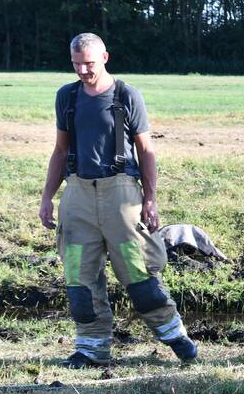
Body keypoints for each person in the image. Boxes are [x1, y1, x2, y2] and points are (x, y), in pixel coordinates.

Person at [38, 33, 197, 368]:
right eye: (77, 64)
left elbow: (146, 150)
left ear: (105, 58)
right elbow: (60, 150)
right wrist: (47, 198)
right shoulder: (66, 97)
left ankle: (176, 338)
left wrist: (150, 200)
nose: (83, 70)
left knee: (140, 277)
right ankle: (92, 349)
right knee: (79, 279)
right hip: (78, 194)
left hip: (122, 193)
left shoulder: (127, 96)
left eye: (89, 63)